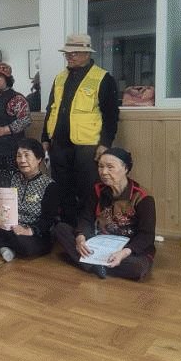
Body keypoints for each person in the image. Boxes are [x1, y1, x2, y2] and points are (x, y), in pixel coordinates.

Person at [42, 34, 119, 227]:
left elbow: (111, 115)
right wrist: (45, 138)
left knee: (87, 189)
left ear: (87, 54)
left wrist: (105, 144)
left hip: (87, 145)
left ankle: (86, 229)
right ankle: (67, 229)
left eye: (75, 53)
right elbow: (51, 109)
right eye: (67, 53)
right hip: (59, 144)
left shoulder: (103, 78)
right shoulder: (60, 78)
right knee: (62, 188)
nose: (70, 56)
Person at [54, 148, 156, 281]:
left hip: (127, 247)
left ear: (125, 168)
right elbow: (86, 218)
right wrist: (80, 237)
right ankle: (98, 264)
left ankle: (87, 263)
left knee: (137, 268)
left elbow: (147, 235)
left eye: (110, 167)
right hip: (100, 241)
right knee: (61, 229)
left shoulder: (142, 197)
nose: (104, 172)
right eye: (101, 167)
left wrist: (124, 252)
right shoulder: (97, 189)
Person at [0, 138, 58, 262]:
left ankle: (1, 246)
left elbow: (48, 219)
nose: (22, 160)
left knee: (24, 244)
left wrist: (29, 230)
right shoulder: (13, 178)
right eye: (19, 156)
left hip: (34, 234)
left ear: (39, 159)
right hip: (11, 227)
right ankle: (4, 249)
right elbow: (3, 205)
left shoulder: (49, 185)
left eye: (27, 155)